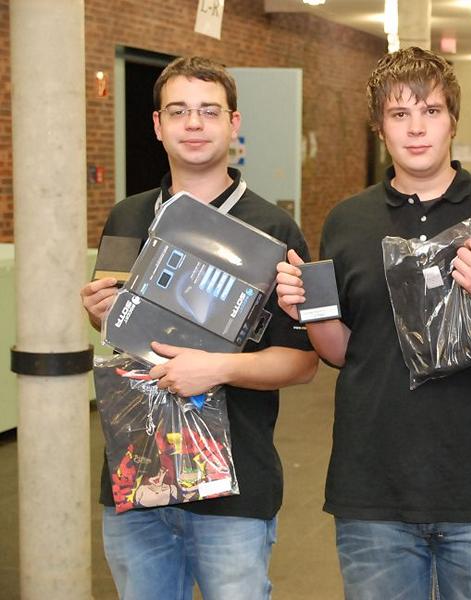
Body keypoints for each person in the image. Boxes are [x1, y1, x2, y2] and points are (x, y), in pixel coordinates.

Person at [276, 47, 471, 599]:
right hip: (373, 491)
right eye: (399, 114)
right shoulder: (348, 220)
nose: (417, 128)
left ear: (453, 119)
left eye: (430, 111)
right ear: (380, 127)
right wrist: (307, 311)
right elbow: (342, 351)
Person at [80, 56, 319, 600]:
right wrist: (98, 312)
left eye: (209, 111)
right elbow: (116, 328)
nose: (194, 123)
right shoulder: (127, 217)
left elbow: (302, 362)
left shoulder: (274, 229)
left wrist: (216, 368)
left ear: (234, 124)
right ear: (157, 125)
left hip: (235, 487)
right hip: (137, 476)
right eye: (178, 111)